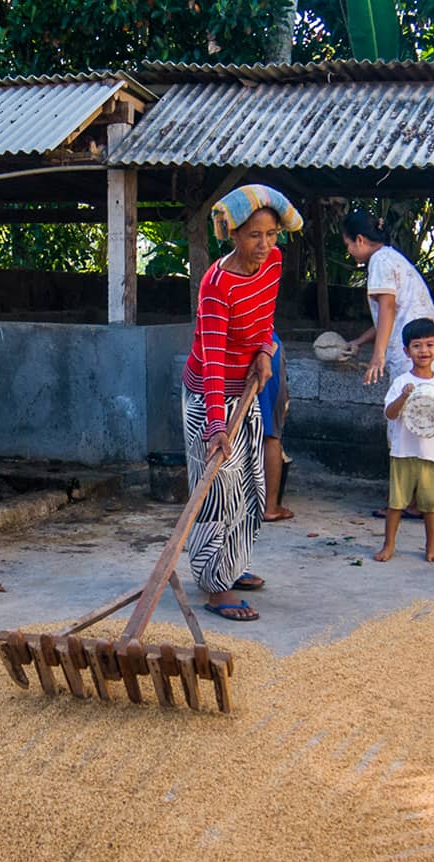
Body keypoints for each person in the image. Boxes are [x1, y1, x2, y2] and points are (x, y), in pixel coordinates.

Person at [183, 185, 303, 621]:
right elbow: (212, 359)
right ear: (233, 234)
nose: (264, 245)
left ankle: (230, 568)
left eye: (271, 234)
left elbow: (265, 318)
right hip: (209, 396)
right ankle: (215, 587)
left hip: (248, 385)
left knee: (248, 483)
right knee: (218, 491)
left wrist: (266, 351)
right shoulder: (217, 285)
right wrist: (216, 426)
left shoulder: (273, 263)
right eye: (254, 235)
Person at [374, 318, 434, 564]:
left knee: (431, 505)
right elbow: (390, 414)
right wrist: (404, 397)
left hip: (431, 454)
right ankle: (388, 544)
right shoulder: (402, 382)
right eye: (417, 345)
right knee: (396, 503)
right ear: (406, 351)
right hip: (403, 451)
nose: (423, 351)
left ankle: (431, 546)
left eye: (429, 345)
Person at [341, 210, 434, 387]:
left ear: (360, 240)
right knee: (426, 410)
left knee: (406, 412)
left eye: (348, 244)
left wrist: (378, 355)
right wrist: (359, 342)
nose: (349, 250)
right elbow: (392, 317)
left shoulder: (379, 261)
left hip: (414, 353)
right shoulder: (392, 257)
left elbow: (388, 308)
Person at [260, 337, 294, 522]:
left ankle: (269, 505)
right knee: (271, 434)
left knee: (268, 431)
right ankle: (270, 506)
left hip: (262, 350)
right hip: (262, 347)